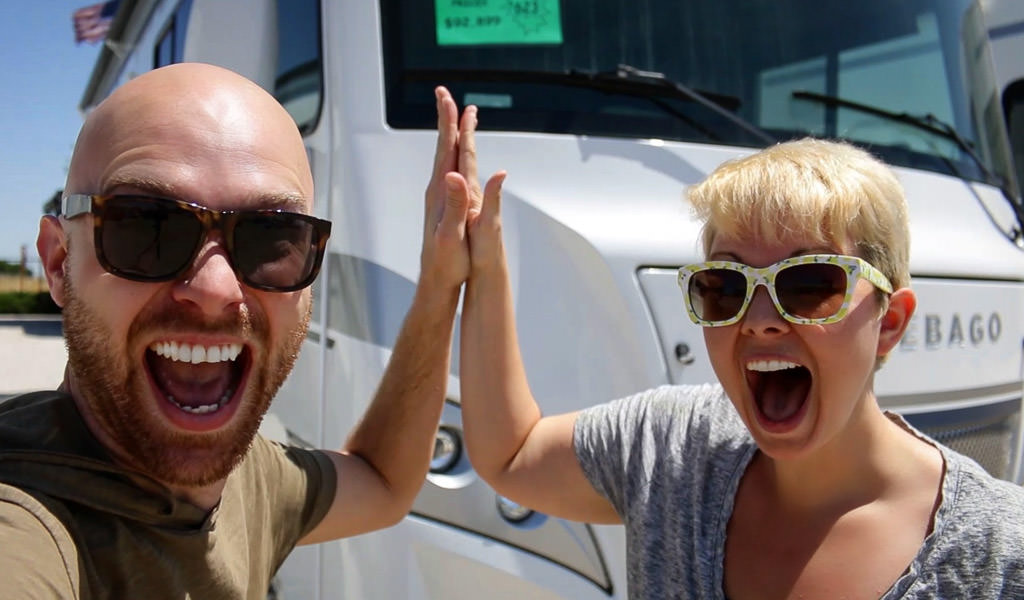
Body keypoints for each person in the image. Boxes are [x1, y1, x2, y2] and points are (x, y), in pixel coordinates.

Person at [456, 136, 1024, 598]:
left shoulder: (998, 554)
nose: (758, 321)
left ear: (891, 321)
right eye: (725, 286)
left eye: (809, 284)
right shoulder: (675, 448)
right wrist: (480, 266)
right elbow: (513, 454)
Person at [0, 64, 482, 598]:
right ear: (59, 262)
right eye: (147, 227)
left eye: (272, 236)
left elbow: (382, 482)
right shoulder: (23, 528)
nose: (215, 288)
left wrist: (440, 285)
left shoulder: (251, 483)